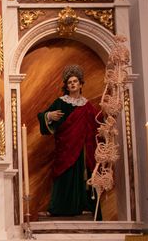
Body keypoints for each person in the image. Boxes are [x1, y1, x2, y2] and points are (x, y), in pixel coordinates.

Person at [37, 65, 100, 217]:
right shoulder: (60, 102)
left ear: (81, 84)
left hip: (81, 149)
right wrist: (49, 116)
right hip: (64, 148)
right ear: (66, 85)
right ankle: (58, 207)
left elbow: (97, 122)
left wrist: (108, 118)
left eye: (75, 81)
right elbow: (42, 115)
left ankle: (81, 205)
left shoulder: (87, 105)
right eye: (69, 82)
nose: (72, 84)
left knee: (80, 176)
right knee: (63, 176)